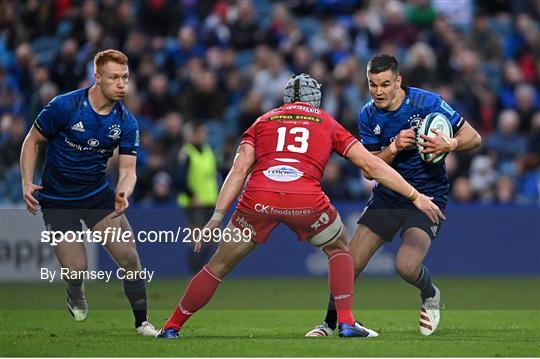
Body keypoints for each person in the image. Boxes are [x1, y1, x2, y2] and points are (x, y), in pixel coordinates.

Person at [156, 73, 444, 339]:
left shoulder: (263, 121)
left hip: (258, 197)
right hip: (304, 198)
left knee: (216, 266)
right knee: (340, 249)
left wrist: (217, 217)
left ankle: (171, 326)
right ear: (315, 99)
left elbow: (239, 169)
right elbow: (371, 165)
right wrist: (415, 195)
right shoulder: (326, 121)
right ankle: (345, 322)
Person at [305, 54, 481, 337]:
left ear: (399, 81)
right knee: (349, 262)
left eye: (385, 84)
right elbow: (369, 169)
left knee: (406, 265)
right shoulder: (367, 115)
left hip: (427, 197)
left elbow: (474, 137)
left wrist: (451, 143)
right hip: (388, 197)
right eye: (372, 84)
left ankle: (430, 293)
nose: (378, 91)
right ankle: (328, 323)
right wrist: (394, 146)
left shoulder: (428, 103)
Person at [20, 49, 158, 336]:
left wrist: (123, 191)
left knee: (130, 258)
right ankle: (75, 290)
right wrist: (26, 181)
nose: (122, 84)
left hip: (97, 196)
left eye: (125, 78)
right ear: (97, 77)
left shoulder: (126, 122)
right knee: (77, 268)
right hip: (58, 202)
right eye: (114, 78)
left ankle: (142, 323)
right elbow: (32, 141)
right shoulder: (65, 107)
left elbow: (129, 169)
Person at [176, 122, 219, 273]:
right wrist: (192, 195)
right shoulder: (187, 153)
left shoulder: (207, 151)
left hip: (210, 201)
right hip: (194, 203)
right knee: (197, 238)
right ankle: (194, 273)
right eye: (201, 132)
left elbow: (212, 176)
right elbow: (179, 179)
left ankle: (201, 271)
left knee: (212, 239)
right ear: (193, 134)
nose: (204, 135)